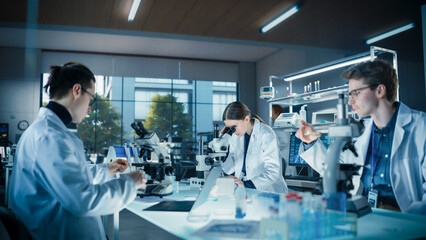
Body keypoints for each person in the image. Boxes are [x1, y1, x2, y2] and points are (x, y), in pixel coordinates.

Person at [9, 62, 147, 239]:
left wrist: (106, 169)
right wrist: (129, 183)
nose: (89, 108)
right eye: (91, 99)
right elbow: (82, 200)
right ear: (76, 90)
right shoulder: (51, 136)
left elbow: (65, 177)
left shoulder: (47, 131)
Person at [296, 60, 426, 214]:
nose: (351, 101)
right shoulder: (362, 132)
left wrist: (408, 223)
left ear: (379, 91)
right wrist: (311, 143)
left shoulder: (420, 127)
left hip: (408, 224)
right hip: (365, 215)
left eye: (356, 93)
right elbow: (334, 169)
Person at [221, 101, 288, 194]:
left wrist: (245, 184)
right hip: (247, 191)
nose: (232, 131)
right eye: (229, 128)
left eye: (234, 126)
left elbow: (273, 172)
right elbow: (229, 168)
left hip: (269, 192)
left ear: (247, 119)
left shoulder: (266, 133)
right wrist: (224, 149)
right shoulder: (236, 136)